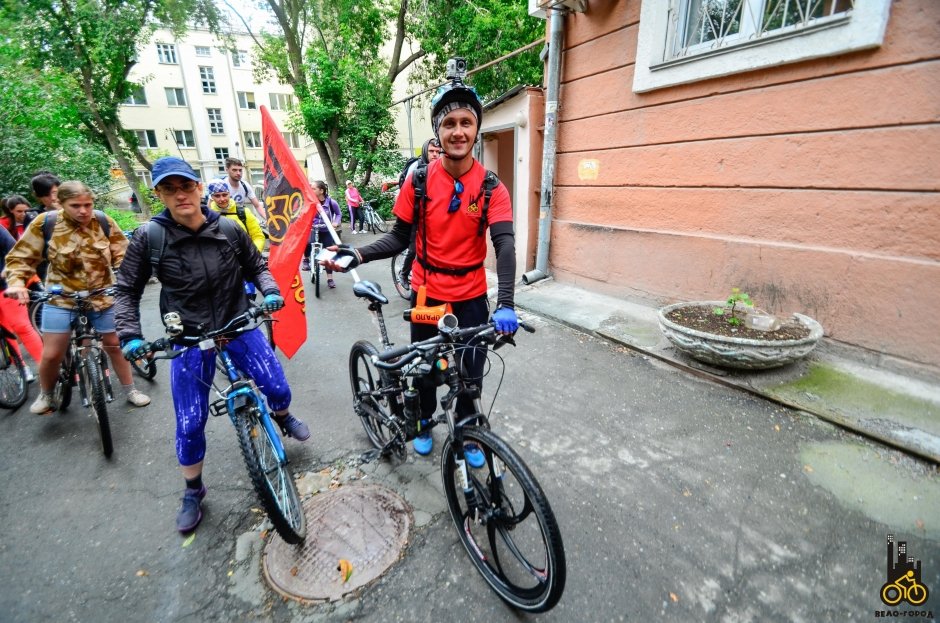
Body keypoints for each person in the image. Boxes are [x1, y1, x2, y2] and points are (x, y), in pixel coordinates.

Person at [322, 68, 519, 458]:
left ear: (476, 129)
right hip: (427, 296)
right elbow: (399, 237)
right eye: (449, 123)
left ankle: (467, 428)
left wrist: (507, 303)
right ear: (438, 130)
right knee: (426, 368)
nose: (458, 131)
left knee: (471, 373)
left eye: (466, 122)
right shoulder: (420, 181)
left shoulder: (492, 186)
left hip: (472, 296)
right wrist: (358, 253)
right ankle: (424, 421)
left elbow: (506, 245)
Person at [114, 156, 310, 534]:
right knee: (190, 422)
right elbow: (125, 290)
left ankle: (283, 419)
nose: (180, 195)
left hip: (237, 322)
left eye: (185, 186)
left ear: (198, 188)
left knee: (277, 387)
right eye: (169, 189)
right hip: (187, 337)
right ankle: (193, 489)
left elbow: (258, 266)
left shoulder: (229, 228)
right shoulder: (149, 237)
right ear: (158, 194)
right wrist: (130, 335)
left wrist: (269, 292)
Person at [4, 181, 151, 414]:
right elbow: (20, 258)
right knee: (52, 353)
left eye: (87, 205)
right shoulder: (46, 223)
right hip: (61, 297)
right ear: (60, 203)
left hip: (102, 295)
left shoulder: (102, 221)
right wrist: (17, 283)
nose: (83, 211)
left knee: (114, 344)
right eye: (75, 205)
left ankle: (130, 389)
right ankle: (48, 394)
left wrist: (129, 279)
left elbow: (123, 253)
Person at [0, 225, 42, 379]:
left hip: (6, 286)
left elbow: (14, 250)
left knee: (21, 326)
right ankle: (21, 367)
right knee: (4, 332)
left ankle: (45, 367)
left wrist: (8, 272)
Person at [300, 181, 342, 288]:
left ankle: (330, 279)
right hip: (313, 229)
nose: (311, 190)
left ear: (321, 191)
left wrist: (336, 222)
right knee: (308, 242)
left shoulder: (331, 202)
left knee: (328, 253)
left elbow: (338, 214)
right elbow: (303, 213)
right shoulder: (310, 202)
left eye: (313, 188)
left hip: (326, 231)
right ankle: (306, 259)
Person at [206, 182, 265, 252]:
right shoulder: (208, 217)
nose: (222, 199)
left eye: (224, 195)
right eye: (217, 196)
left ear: (229, 194)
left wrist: (253, 254)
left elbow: (258, 236)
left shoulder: (244, 213)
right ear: (212, 197)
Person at [213, 157, 266, 221]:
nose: (238, 173)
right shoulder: (220, 185)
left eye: (240, 170)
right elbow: (209, 208)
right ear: (227, 170)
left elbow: (257, 205)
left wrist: (268, 219)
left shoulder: (245, 185)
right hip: (224, 221)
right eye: (234, 170)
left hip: (240, 219)